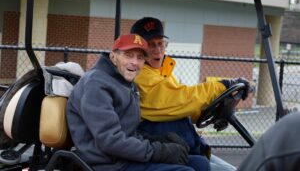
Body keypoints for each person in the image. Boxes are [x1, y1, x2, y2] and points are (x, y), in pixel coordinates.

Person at [66, 34, 210, 171]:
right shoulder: (96, 85)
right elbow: (110, 140)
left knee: (200, 163)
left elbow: (129, 132)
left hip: (124, 157)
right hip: (107, 164)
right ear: (113, 56)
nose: (134, 62)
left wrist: (160, 141)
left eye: (140, 57)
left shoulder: (126, 83)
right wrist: (157, 151)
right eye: (128, 55)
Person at [131, 17, 251, 171]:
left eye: (160, 43)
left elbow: (183, 107)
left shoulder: (162, 73)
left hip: (182, 146)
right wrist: (223, 86)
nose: (158, 50)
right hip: (165, 148)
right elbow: (180, 99)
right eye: (151, 45)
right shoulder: (141, 76)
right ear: (139, 49)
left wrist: (216, 111)